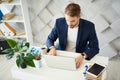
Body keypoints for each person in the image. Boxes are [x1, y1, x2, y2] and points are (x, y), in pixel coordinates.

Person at [46, 3, 99, 68]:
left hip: (79, 56)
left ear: (79, 17)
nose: (69, 24)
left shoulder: (89, 26)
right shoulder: (59, 22)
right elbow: (50, 39)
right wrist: (52, 48)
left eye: (72, 21)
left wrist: (82, 55)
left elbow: (95, 47)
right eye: (67, 20)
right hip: (61, 54)